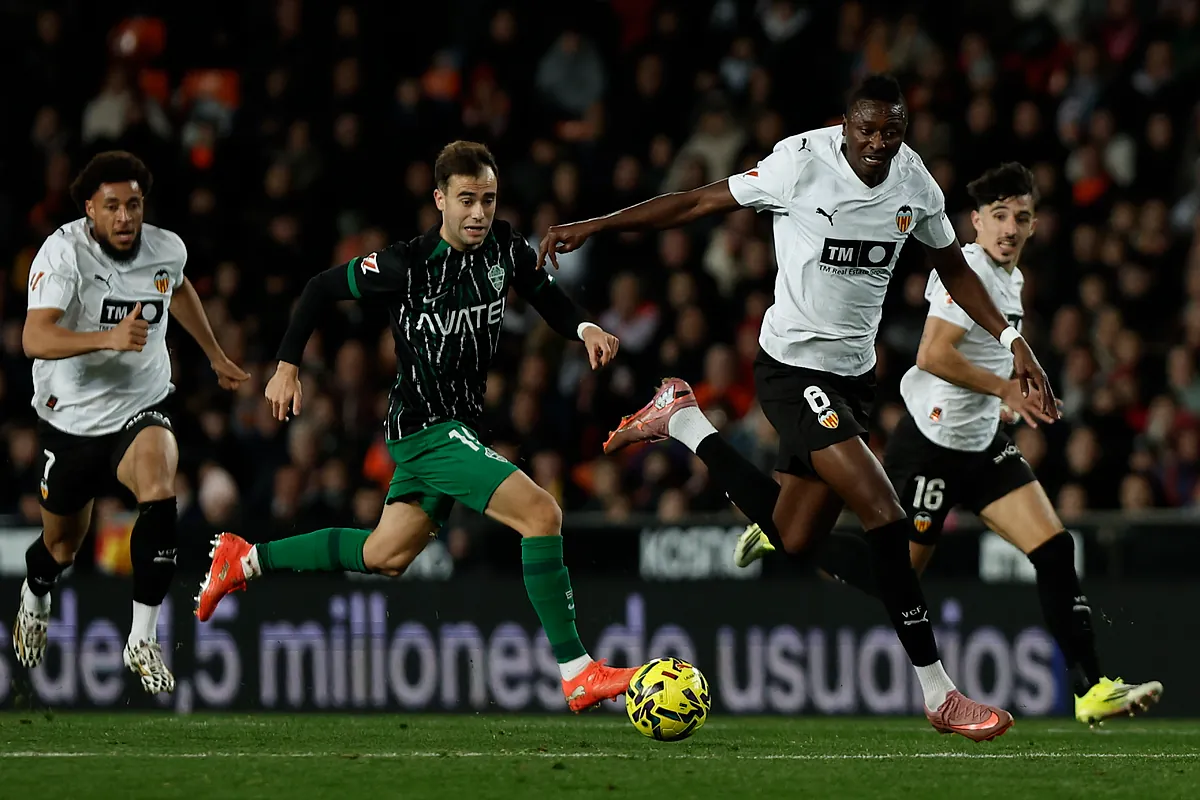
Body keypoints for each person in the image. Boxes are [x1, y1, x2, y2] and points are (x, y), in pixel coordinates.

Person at [539, 75, 1059, 741]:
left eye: (890, 131)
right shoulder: (798, 163)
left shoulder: (914, 183)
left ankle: (684, 419)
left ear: (904, 129)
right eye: (866, 129)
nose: (877, 143)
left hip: (852, 382)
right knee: (885, 515)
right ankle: (941, 694)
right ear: (844, 124)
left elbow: (954, 267)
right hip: (791, 370)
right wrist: (598, 225)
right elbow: (699, 201)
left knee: (796, 538)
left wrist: (1014, 340)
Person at [195, 140, 636, 712]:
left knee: (385, 555)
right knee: (541, 513)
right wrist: (286, 365)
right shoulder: (405, 264)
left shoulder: (503, 246)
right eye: (467, 200)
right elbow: (319, 288)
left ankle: (245, 559)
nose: (479, 212)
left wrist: (585, 330)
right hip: (426, 429)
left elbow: (544, 293)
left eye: (489, 199)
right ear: (440, 200)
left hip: (457, 428)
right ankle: (577, 672)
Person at [737, 162, 1163, 726]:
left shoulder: (1013, 279)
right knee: (900, 577)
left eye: (1023, 217)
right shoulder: (969, 271)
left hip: (983, 443)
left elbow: (980, 359)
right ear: (977, 222)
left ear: (1034, 227)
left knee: (1056, 549)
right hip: (930, 445)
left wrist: (1003, 399)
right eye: (1000, 216)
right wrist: (1005, 385)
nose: (1011, 228)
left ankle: (1091, 689)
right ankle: (786, 532)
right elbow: (932, 355)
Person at [14, 150, 249, 694]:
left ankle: (142, 635)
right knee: (61, 549)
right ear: (90, 210)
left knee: (159, 481)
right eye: (113, 206)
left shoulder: (166, 248)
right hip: (69, 421)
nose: (125, 217)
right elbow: (34, 338)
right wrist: (108, 338)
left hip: (139, 406)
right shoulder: (62, 253)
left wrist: (213, 353)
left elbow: (179, 285)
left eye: (134, 205)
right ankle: (36, 590)